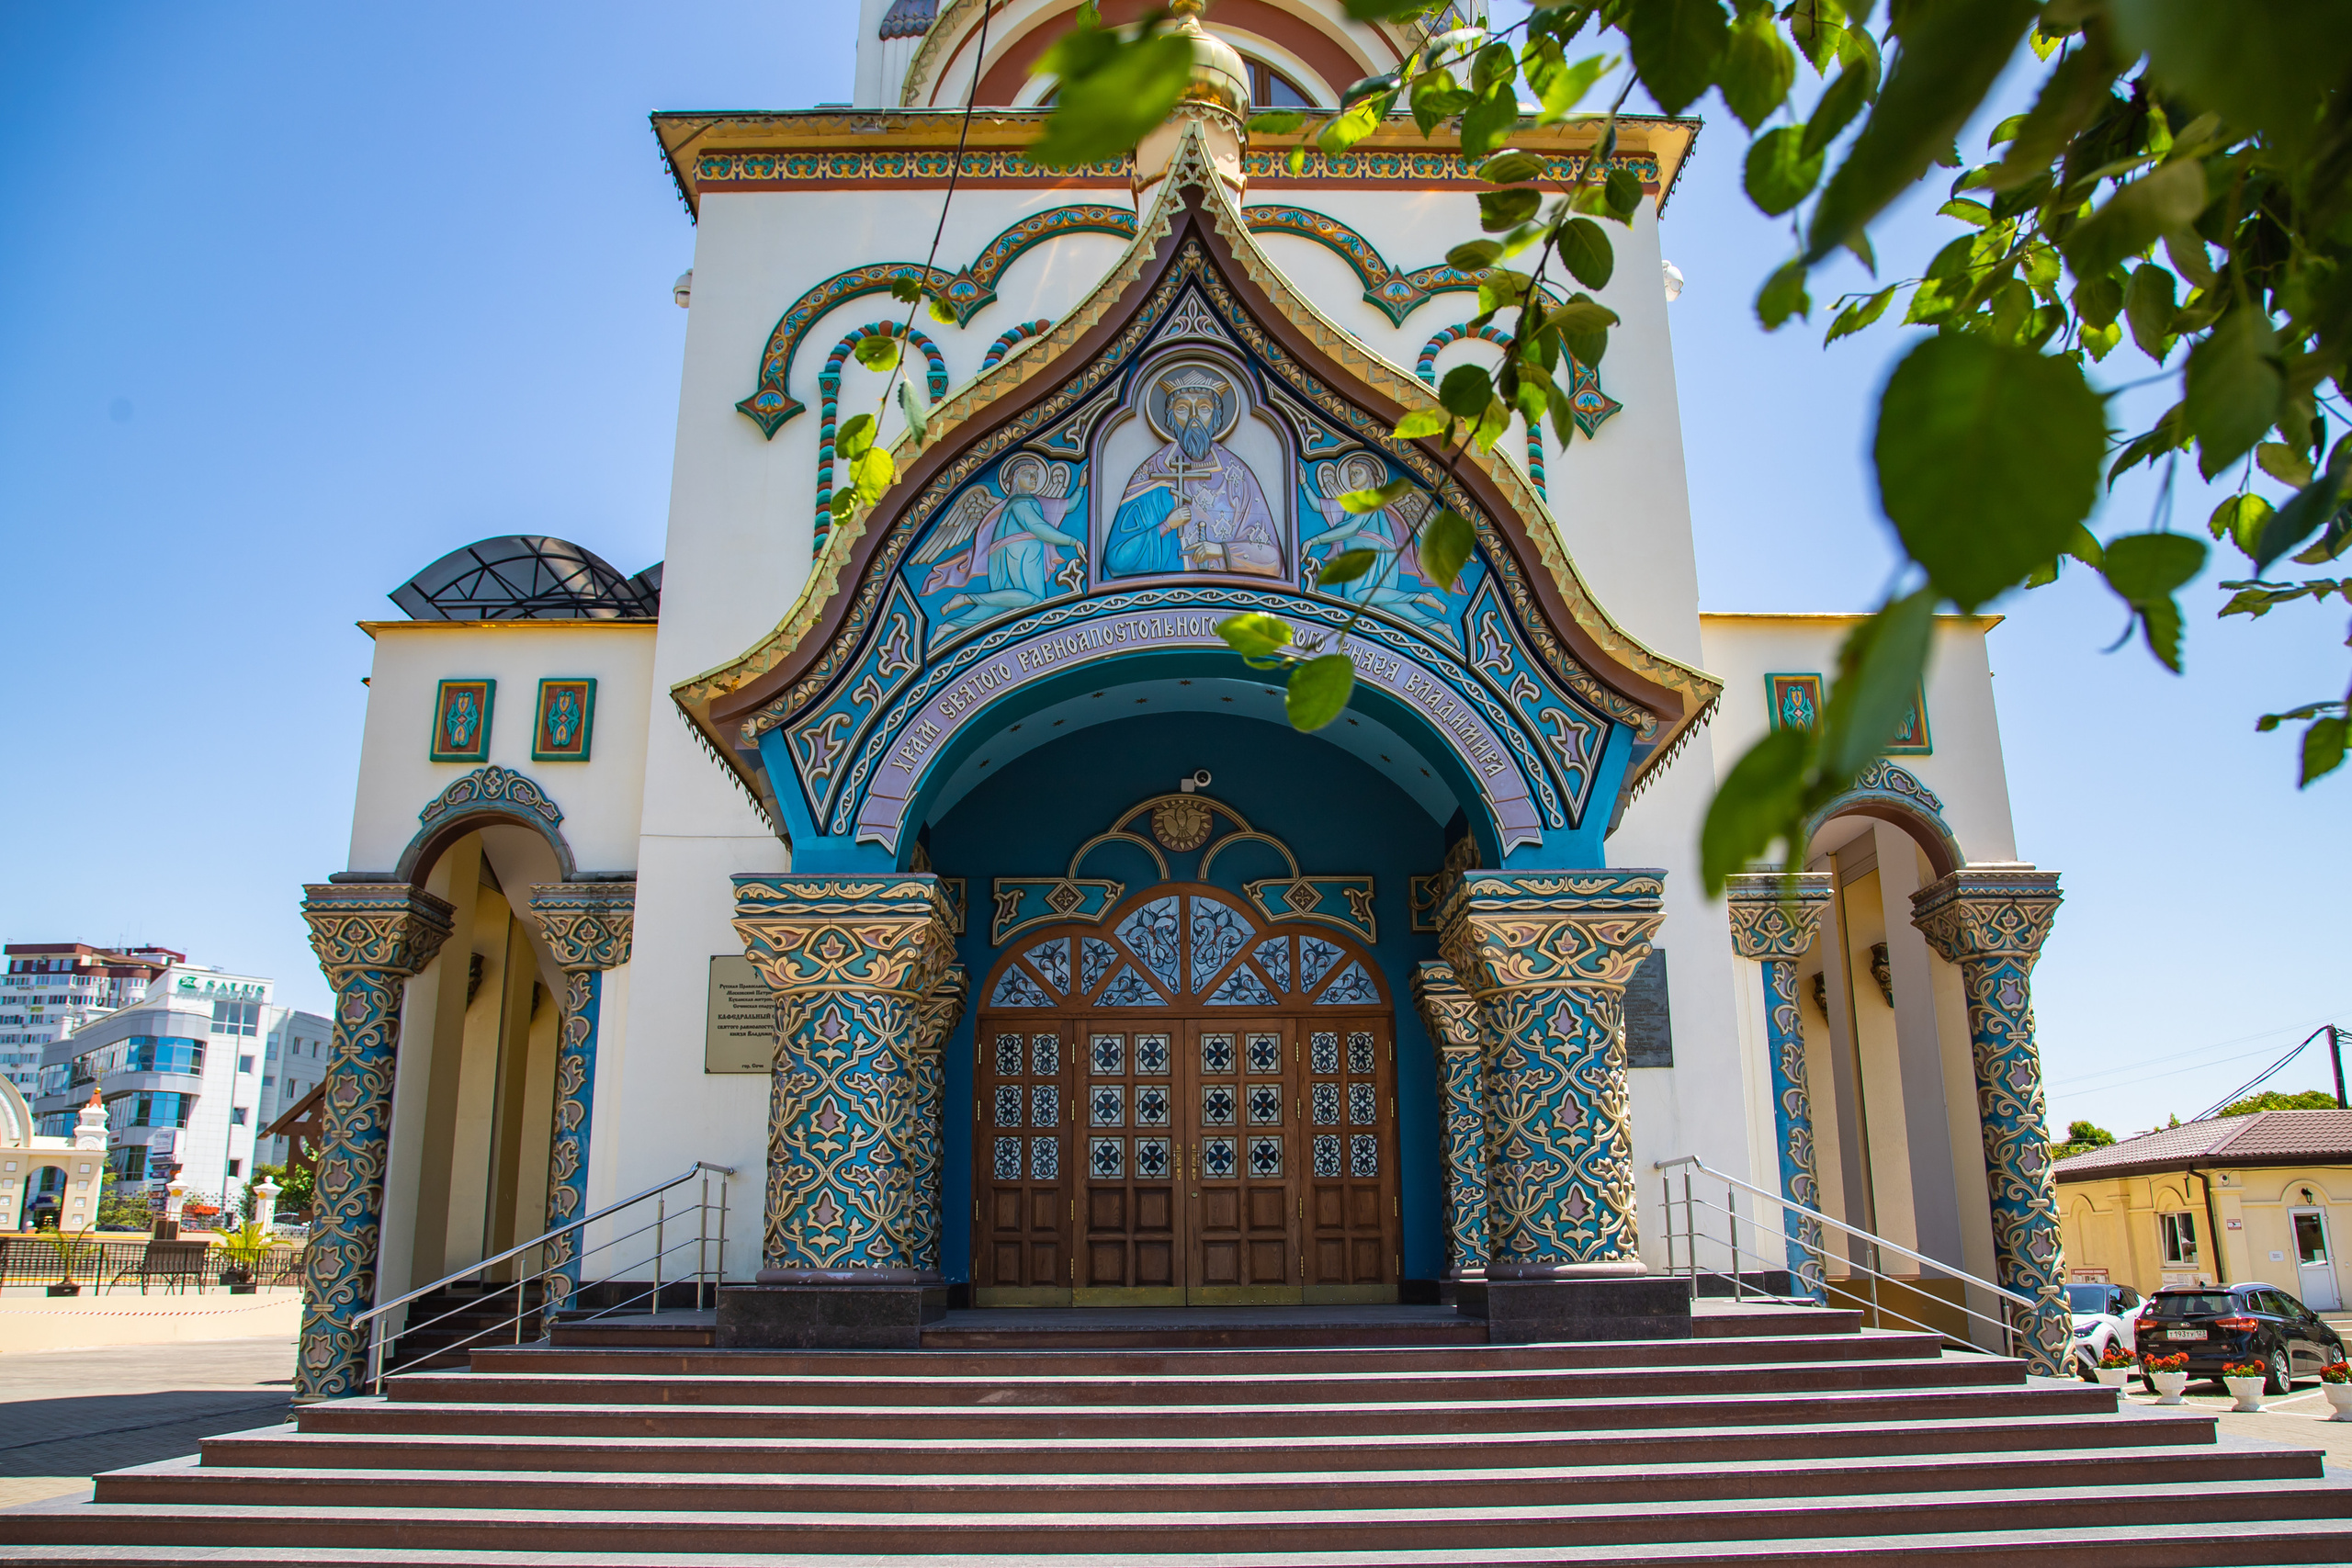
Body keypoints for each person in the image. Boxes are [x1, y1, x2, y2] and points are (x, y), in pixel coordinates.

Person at [1104, 364, 1281, 578]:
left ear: (1216, 418)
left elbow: (1272, 560)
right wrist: (1166, 526)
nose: (1194, 417)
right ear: (1170, 418)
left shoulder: (1237, 475)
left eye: (1204, 408)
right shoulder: (1151, 472)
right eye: (1182, 408)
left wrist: (1220, 551)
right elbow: (1117, 561)